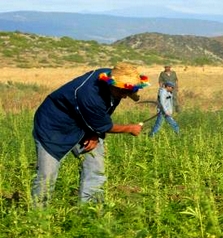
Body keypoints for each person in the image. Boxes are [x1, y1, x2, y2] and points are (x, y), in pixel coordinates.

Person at [31, 62, 150, 205]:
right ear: (112, 84)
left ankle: (91, 210)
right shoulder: (89, 94)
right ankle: (38, 217)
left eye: (128, 92)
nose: (125, 96)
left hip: (83, 123)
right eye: (122, 92)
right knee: (47, 174)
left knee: (95, 167)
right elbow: (103, 124)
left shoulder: (112, 79)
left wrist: (94, 133)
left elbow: (102, 115)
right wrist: (130, 128)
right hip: (53, 126)